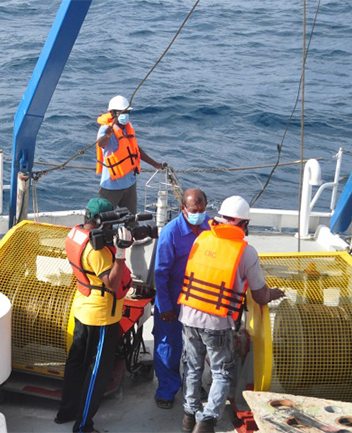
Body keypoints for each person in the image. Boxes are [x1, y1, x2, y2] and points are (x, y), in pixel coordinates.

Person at [178, 196, 285, 433]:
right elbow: (259, 295)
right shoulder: (246, 252)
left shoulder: (202, 238)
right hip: (216, 321)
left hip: (188, 315)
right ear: (243, 223)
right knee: (222, 372)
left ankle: (188, 415)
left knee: (193, 367)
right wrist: (274, 294)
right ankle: (206, 422)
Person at [55, 198, 134, 433]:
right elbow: (112, 283)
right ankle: (83, 426)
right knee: (96, 372)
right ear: (102, 221)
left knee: (76, 364)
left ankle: (66, 412)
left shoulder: (75, 235)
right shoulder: (97, 251)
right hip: (101, 318)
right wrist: (120, 252)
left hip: (82, 308)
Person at [152, 188, 211, 410]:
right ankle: (166, 390)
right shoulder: (170, 233)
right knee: (168, 347)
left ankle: (191, 386)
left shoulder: (209, 228)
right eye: (195, 210)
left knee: (195, 348)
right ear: (183, 209)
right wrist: (165, 307)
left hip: (197, 301)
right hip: (172, 300)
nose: (200, 214)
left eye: (203, 209)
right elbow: (161, 273)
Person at [96, 95, 167, 215]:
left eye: (127, 112)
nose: (125, 115)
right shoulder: (106, 129)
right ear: (113, 113)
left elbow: (135, 150)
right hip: (112, 186)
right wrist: (108, 136)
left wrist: (155, 164)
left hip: (129, 184)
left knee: (132, 219)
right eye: (121, 112)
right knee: (104, 220)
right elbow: (101, 143)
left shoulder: (128, 127)